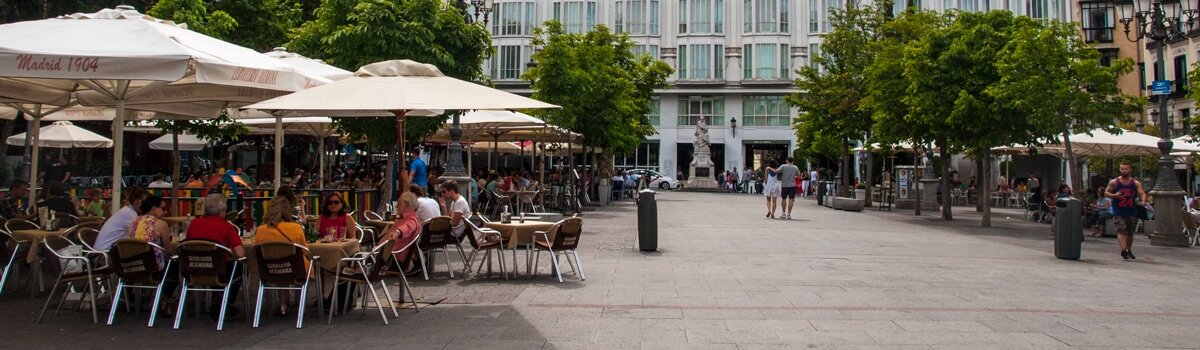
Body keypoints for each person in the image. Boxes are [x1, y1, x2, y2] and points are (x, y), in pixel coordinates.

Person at [185, 194, 246, 318]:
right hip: (219, 270)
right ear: (222, 211)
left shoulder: (193, 224)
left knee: (220, 264)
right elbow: (240, 254)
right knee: (240, 267)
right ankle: (226, 301)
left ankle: (217, 298)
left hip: (195, 268)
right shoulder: (226, 227)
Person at [253, 196, 309, 316]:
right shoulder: (295, 228)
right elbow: (305, 251)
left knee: (279, 263)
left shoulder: (260, 230)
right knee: (297, 262)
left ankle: (282, 304)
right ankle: (299, 302)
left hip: (269, 270)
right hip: (294, 270)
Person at [1106, 162, 1148, 260]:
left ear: (1130, 170)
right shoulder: (1114, 182)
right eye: (1122, 169)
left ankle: (1128, 250)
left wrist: (1143, 200)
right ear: (1120, 170)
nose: (1124, 171)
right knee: (1121, 230)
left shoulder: (1135, 183)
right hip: (1118, 210)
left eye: (1126, 169)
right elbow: (1106, 193)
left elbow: (1142, 193)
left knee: (1130, 232)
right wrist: (1114, 195)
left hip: (1131, 210)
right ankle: (1124, 250)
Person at [127, 195, 174, 272]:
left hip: (134, 267)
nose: (166, 212)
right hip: (153, 268)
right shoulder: (160, 224)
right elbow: (168, 251)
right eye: (163, 208)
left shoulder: (134, 222)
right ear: (153, 209)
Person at [387, 192, 424, 276]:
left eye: (399, 203)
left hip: (390, 259)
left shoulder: (412, 219)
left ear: (406, 205)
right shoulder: (407, 218)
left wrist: (398, 231)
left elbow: (408, 227)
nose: (396, 206)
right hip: (387, 256)